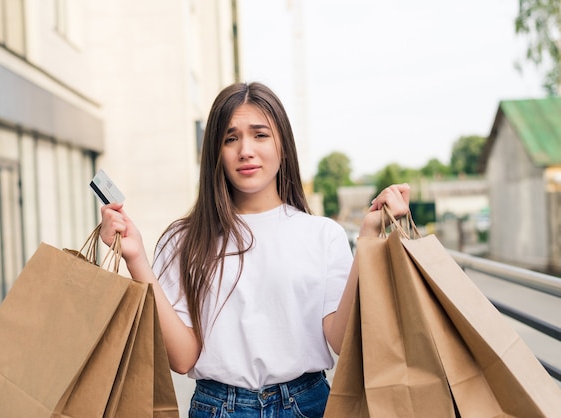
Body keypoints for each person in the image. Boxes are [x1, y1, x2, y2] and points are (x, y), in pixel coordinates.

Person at [99, 82, 410, 417]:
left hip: (308, 405)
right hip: (218, 408)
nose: (245, 150)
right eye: (230, 138)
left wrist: (367, 240)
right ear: (215, 152)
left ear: (283, 146)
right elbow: (183, 358)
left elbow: (340, 341)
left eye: (260, 135)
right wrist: (136, 260)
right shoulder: (184, 239)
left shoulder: (323, 235)